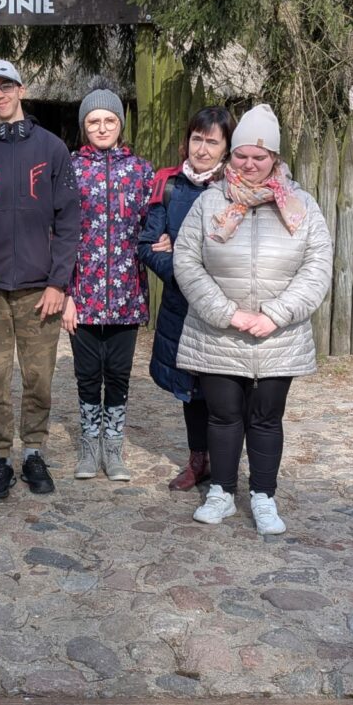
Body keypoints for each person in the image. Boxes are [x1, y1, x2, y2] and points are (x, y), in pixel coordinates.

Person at [173, 104, 332, 535]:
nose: (249, 164)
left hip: (278, 336)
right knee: (223, 416)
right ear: (231, 156)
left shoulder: (301, 207)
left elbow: (318, 265)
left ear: (275, 159)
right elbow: (187, 261)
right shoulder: (210, 203)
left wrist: (275, 315)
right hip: (219, 332)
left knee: (266, 418)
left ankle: (263, 496)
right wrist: (227, 313)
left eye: (259, 157)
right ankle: (222, 492)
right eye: (241, 155)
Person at [0, 59, 80, 500]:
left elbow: (69, 222)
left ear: (21, 89)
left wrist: (58, 283)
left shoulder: (52, 148)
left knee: (38, 377)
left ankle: (33, 451)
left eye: (6, 86)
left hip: (39, 288)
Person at [138, 106, 236, 490]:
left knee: (223, 392)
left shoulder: (237, 190)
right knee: (190, 390)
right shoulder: (170, 186)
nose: (203, 149)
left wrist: (179, 251)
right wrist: (180, 267)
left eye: (213, 141)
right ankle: (198, 461)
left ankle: (224, 467)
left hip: (223, 307)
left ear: (226, 147)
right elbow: (148, 245)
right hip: (182, 304)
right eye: (198, 139)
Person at [62, 82, 154, 481]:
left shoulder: (140, 170)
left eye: (109, 120)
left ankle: (113, 447)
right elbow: (57, 233)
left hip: (126, 294)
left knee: (117, 373)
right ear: (84, 126)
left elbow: (153, 226)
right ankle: (88, 446)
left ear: (120, 123)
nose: (101, 127)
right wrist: (65, 293)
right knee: (87, 374)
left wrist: (162, 238)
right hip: (82, 294)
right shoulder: (68, 168)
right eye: (94, 121)